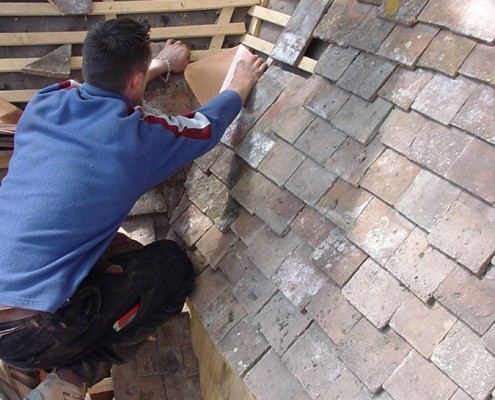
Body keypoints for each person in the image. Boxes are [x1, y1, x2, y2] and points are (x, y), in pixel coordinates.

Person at [0, 17, 266, 400]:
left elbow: (100, 87)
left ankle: (22, 367)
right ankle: (70, 381)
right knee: (173, 268)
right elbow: (204, 126)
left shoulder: (47, 100)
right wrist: (239, 84)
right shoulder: (136, 140)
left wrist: (159, 63)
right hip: (38, 329)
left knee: (119, 249)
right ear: (136, 80)